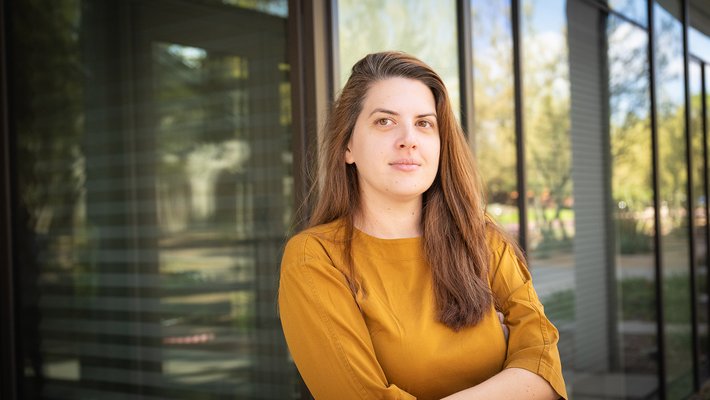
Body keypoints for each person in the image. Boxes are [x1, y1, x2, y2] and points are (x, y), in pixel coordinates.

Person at [278, 51, 567, 400]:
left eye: (424, 123)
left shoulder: (481, 238)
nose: (408, 139)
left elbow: (545, 368)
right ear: (347, 146)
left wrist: (529, 374)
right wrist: (511, 379)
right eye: (384, 121)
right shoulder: (316, 259)